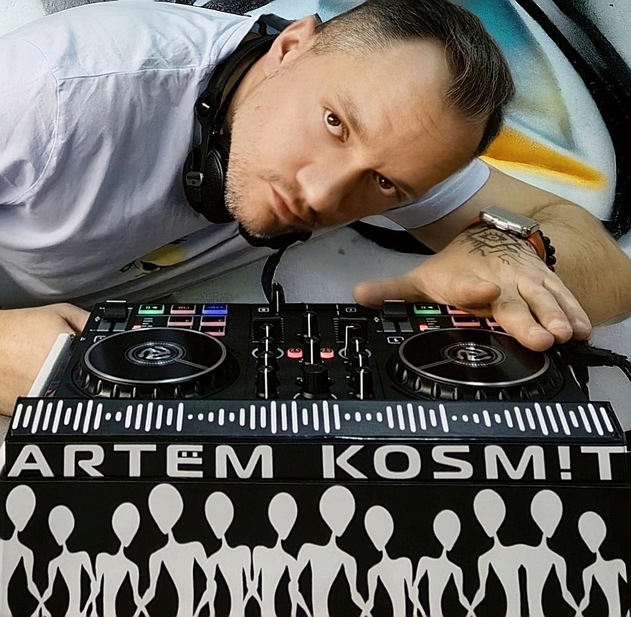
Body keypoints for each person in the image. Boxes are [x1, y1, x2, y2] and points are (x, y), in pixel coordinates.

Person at [1, 0, 630, 416]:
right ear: (291, 47)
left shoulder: (405, 143)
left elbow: (614, 279)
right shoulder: (47, 93)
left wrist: (508, 251)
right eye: (334, 124)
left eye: (383, 184)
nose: (326, 195)